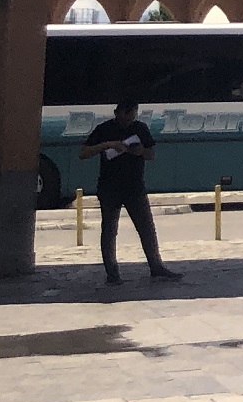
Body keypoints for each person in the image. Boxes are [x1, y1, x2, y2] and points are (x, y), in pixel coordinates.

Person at [77, 101, 181, 286]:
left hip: (134, 187)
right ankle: (112, 273)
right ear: (117, 113)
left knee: (146, 228)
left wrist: (139, 151)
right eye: (125, 115)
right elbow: (83, 153)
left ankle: (156, 267)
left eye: (132, 115)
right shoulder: (104, 129)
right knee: (109, 230)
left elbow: (151, 154)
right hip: (109, 187)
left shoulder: (140, 129)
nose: (128, 119)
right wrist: (108, 145)